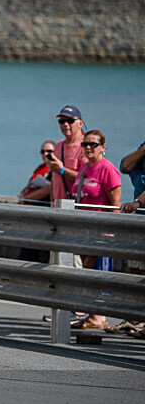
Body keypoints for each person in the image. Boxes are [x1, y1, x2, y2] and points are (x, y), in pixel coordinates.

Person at [68, 129, 121, 331]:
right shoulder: (84, 168)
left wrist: (110, 231)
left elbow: (115, 203)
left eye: (93, 144)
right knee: (86, 273)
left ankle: (99, 316)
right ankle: (92, 313)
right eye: (85, 144)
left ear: (103, 147)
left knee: (97, 273)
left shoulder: (107, 169)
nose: (88, 148)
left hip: (100, 231)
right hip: (84, 229)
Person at [115, 139, 145, 336]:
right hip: (140, 219)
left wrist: (137, 202)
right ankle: (136, 317)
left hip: (140, 208)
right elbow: (125, 166)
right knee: (135, 268)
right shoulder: (142, 149)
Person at [44, 105, 86, 204]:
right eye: (61, 121)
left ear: (80, 123)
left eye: (70, 121)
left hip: (77, 206)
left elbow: (88, 180)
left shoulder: (87, 147)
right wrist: (52, 202)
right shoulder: (59, 145)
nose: (65, 124)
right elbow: (55, 180)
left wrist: (61, 170)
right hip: (57, 205)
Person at [19, 140, 55, 206]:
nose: (45, 154)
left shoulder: (55, 169)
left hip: (43, 205)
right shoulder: (40, 168)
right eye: (43, 152)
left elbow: (49, 189)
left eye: (49, 151)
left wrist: (25, 199)